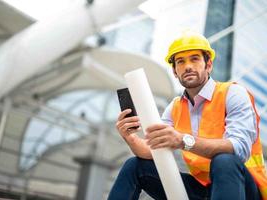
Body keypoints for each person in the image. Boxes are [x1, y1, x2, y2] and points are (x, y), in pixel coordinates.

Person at [108, 30, 267, 200]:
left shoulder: (233, 93)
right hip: (204, 191)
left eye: (195, 59)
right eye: (180, 62)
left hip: (244, 189)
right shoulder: (175, 107)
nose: (188, 66)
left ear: (209, 65)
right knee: (134, 166)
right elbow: (153, 150)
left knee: (224, 160)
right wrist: (130, 138)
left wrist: (182, 140)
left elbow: (239, 149)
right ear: (175, 72)